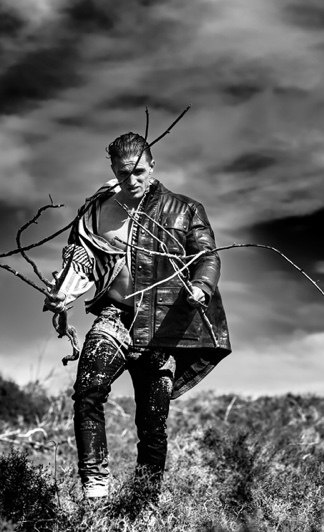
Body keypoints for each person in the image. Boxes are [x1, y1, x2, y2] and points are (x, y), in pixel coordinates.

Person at [44, 132, 231, 505]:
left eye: (140, 172)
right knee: (88, 390)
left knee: (152, 421)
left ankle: (144, 503)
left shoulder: (184, 209)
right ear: (113, 169)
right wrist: (62, 293)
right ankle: (96, 487)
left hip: (162, 324)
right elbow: (80, 259)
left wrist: (201, 287)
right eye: (124, 173)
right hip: (114, 316)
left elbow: (207, 256)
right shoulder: (96, 212)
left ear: (153, 166)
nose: (133, 181)